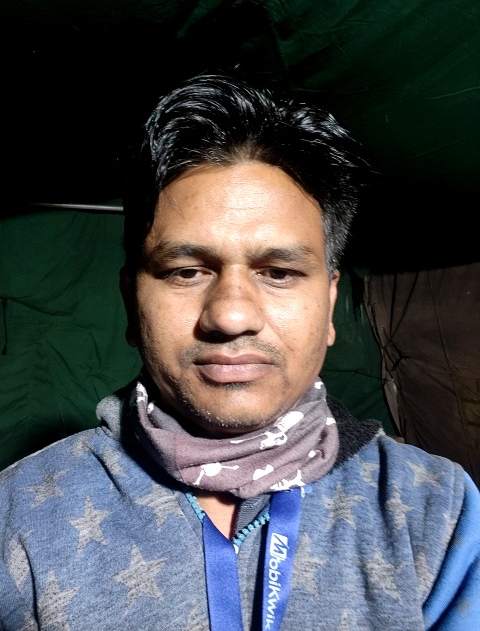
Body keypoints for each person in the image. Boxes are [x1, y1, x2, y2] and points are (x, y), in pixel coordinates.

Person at [0, 72, 479, 630]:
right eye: (185, 271)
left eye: (279, 272)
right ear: (131, 303)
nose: (231, 316)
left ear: (329, 305)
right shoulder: (19, 513)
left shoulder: (437, 509)